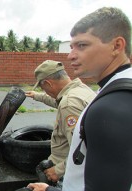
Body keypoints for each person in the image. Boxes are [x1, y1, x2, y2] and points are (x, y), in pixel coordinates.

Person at [27, 7, 132, 191]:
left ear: (117, 46)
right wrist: (36, 96)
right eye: (72, 47)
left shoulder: (109, 109)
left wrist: (49, 189)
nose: (71, 55)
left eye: (82, 45)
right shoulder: (113, 89)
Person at [25, 60, 96, 184]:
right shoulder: (80, 90)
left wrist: (58, 170)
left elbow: (83, 148)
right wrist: (37, 95)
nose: (45, 91)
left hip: (69, 171)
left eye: (43, 88)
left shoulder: (69, 105)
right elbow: (58, 101)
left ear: (48, 83)